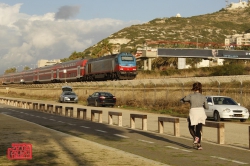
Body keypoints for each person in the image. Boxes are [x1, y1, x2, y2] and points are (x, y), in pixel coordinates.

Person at [180, 82, 208, 150]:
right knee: (198, 129)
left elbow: (182, 100)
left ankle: (195, 137)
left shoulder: (191, 96)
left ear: (193, 88)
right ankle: (199, 145)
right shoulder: (203, 97)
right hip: (201, 112)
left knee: (191, 127)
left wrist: (183, 99)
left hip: (194, 111)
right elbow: (207, 107)